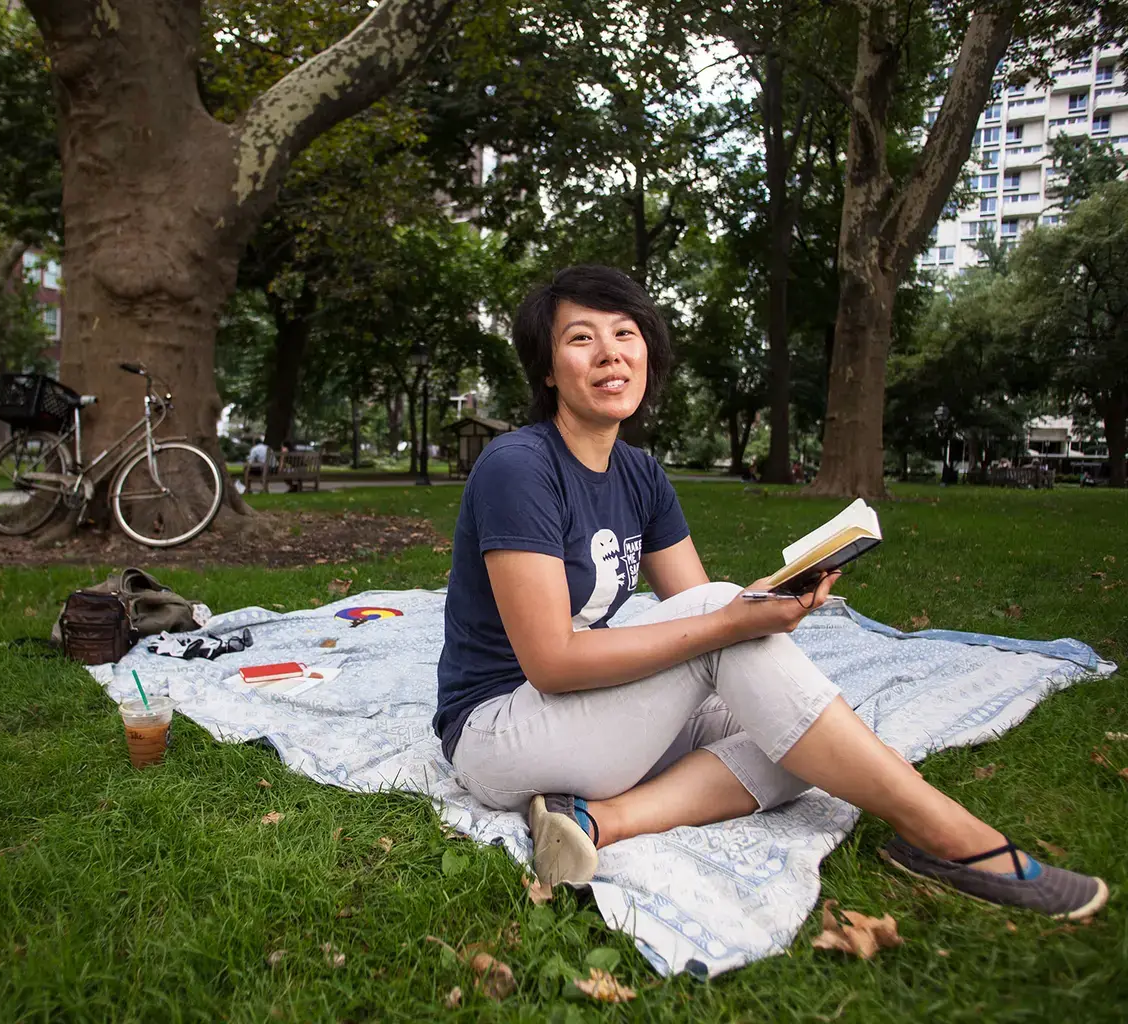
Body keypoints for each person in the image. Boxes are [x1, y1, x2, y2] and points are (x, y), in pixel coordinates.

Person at [434, 265, 1106, 920]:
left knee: (799, 740)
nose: (610, 353)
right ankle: (951, 838)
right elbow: (556, 659)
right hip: (500, 731)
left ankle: (596, 820)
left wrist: (758, 605)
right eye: (581, 338)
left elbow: (696, 618)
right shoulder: (518, 467)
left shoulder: (639, 473)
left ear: (649, 350)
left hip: (585, 722)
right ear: (548, 370)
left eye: (626, 333)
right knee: (758, 673)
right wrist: (730, 619)